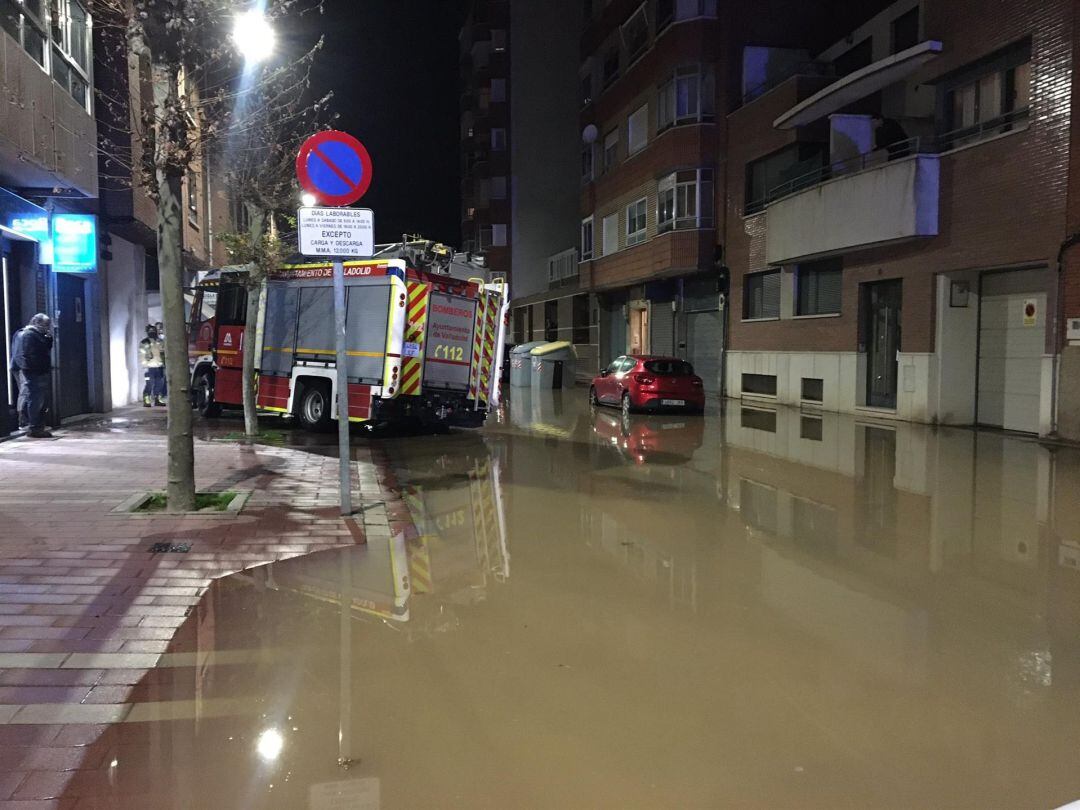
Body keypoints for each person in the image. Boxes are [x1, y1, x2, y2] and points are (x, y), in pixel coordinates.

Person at [12, 314, 53, 438]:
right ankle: (33, 427)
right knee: (35, 398)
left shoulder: (33, 334)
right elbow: (27, 355)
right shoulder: (28, 335)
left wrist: (48, 339)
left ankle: (32, 424)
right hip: (33, 372)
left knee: (33, 397)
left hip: (33, 371)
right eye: (46, 325)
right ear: (37, 322)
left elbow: (44, 349)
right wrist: (35, 370)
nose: (47, 327)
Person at [139, 324, 166, 407]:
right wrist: (145, 366)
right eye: (150, 331)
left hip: (159, 366)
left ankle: (158, 399)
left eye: (153, 331)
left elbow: (164, 352)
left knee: (159, 384)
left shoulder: (160, 341)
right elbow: (142, 355)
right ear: (147, 332)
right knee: (149, 384)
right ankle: (146, 400)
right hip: (149, 368)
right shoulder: (144, 342)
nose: (152, 332)